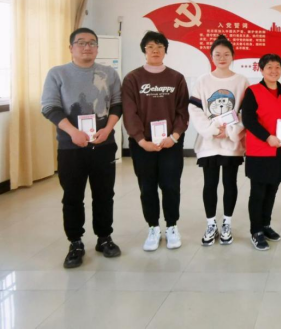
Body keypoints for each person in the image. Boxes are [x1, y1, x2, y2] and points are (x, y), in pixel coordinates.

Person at [41, 28, 123, 269]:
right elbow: (49, 107)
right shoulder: (57, 73)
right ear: (71, 48)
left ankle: (104, 237)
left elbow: (117, 104)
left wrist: (108, 129)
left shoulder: (109, 73)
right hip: (71, 147)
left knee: (104, 194)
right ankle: (75, 242)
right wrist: (72, 132)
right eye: (81, 43)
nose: (87, 47)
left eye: (92, 43)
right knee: (72, 196)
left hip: (103, 144)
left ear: (97, 48)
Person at [122, 31, 190, 252]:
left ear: (165, 50)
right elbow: (129, 112)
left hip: (170, 143)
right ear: (144, 50)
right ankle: (153, 227)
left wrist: (174, 137)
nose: (155, 50)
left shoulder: (176, 78)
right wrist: (141, 140)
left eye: (160, 46)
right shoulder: (132, 78)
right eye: (150, 46)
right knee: (147, 187)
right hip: (143, 144)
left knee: (171, 185)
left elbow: (182, 112)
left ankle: (171, 226)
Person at [189, 35, 249, 247]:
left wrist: (231, 131)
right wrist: (212, 130)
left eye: (226, 54)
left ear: (233, 56)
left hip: (231, 143)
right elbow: (195, 109)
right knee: (210, 183)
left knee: (230, 183)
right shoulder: (203, 81)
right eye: (217, 54)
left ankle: (227, 224)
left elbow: (245, 112)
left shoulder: (241, 81)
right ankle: (211, 224)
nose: (222, 58)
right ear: (211, 56)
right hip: (209, 143)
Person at [242, 54, 281, 251]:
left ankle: (265, 225)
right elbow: (248, 120)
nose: (274, 71)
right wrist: (267, 137)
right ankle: (256, 231)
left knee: (272, 189)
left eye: (277, 67)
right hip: (260, 151)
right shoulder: (253, 91)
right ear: (261, 70)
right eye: (269, 67)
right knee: (258, 191)